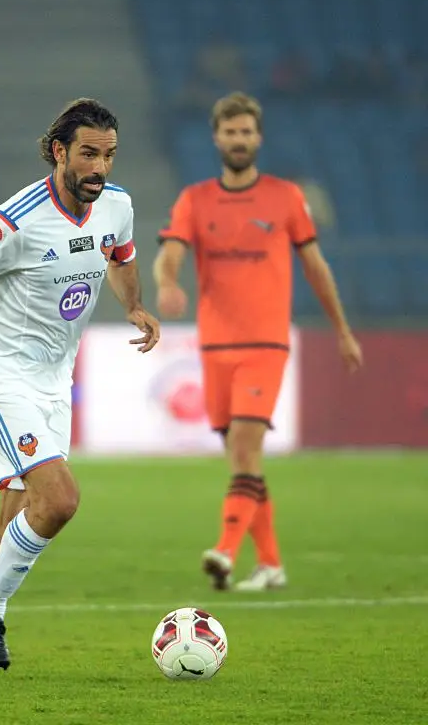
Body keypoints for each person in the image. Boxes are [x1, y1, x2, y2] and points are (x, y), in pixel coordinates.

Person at [0, 99, 161, 674]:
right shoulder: (10, 221)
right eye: (89, 154)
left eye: (109, 156)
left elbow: (120, 256)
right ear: (60, 151)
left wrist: (136, 304)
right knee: (60, 500)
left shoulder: (117, 206)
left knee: (12, 524)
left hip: (52, 380)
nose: (100, 168)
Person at [153, 92, 363, 593]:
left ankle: (224, 553)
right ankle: (270, 564)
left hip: (265, 345)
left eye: (247, 132)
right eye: (231, 132)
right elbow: (170, 253)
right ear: (217, 137)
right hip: (214, 348)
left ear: (259, 138)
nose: (239, 140)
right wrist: (167, 282)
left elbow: (315, 266)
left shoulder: (286, 198)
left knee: (245, 451)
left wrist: (342, 330)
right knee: (244, 461)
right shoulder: (194, 199)